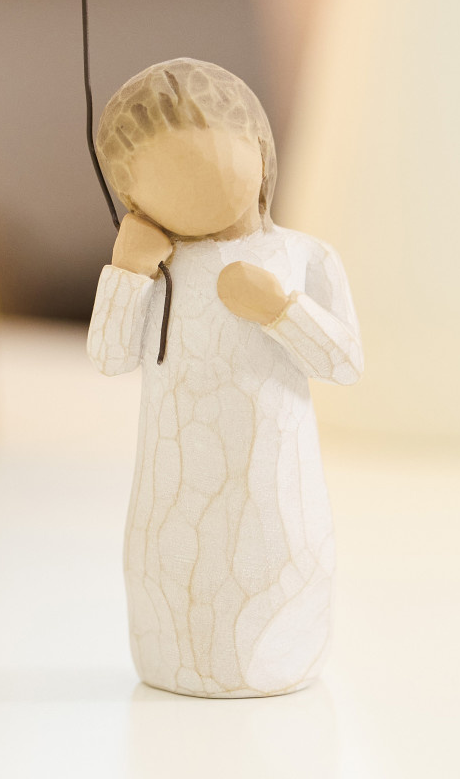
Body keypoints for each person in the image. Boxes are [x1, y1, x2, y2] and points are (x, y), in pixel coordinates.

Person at [87, 58, 363, 698]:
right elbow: (109, 356)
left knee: (272, 580)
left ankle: (280, 651)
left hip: (277, 504)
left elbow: (345, 362)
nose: (193, 189)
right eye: (162, 181)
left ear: (260, 151)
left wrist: (282, 310)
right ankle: (176, 654)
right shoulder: (158, 266)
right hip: (170, 504)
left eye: (210, 159)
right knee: (179, 579)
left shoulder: (303, 257)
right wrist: (127, 273)